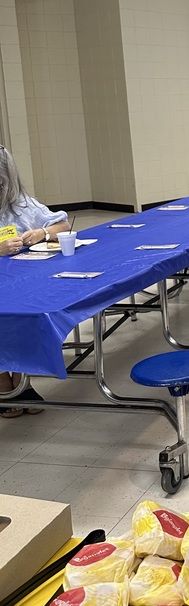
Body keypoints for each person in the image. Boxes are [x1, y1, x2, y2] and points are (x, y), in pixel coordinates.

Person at [0, 144, 70, 418]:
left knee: (19, 322)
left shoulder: (21, 204)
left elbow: (62, 226)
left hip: (20, 283)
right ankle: (4, 382)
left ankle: (19, 380)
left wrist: (42, 233)